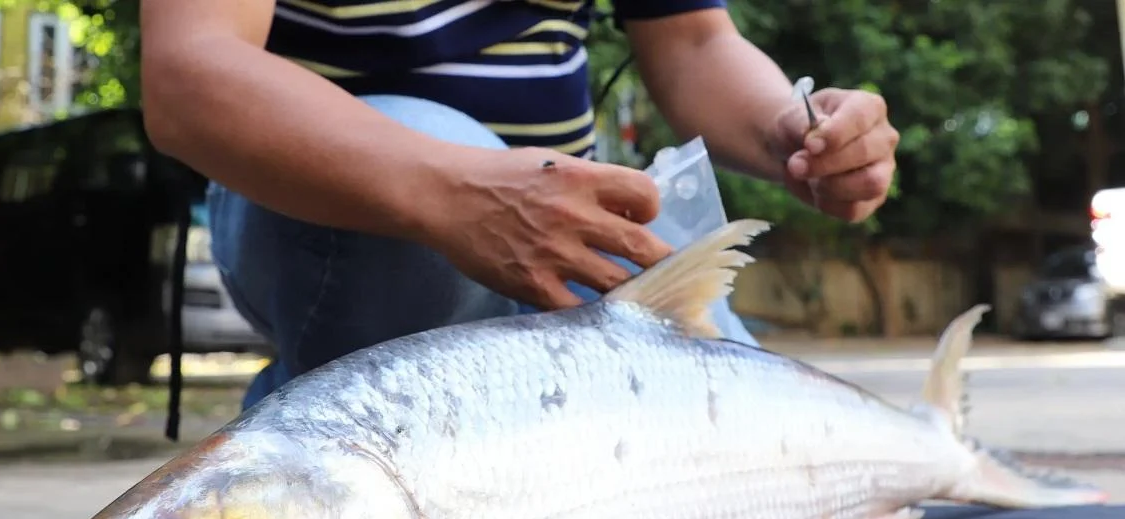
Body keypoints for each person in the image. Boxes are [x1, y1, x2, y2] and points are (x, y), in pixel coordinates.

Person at [140, 0, 899, 410]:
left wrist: (793, 132)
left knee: (755, 439)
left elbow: (694, 42)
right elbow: (189, 70)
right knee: (424, 147)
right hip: (353, 212)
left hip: (571, 220)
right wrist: (460, 190)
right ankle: (310, 449)